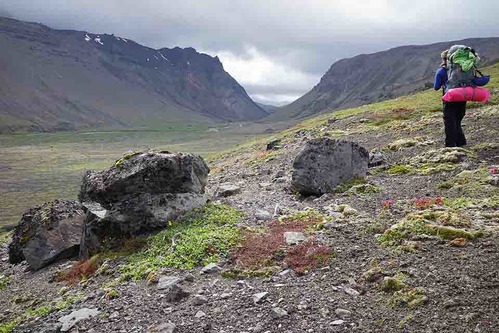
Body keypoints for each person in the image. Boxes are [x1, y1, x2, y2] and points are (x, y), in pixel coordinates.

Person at [434, 50, 467, 147]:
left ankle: (450, 145)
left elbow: (436, 87)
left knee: (449, 122)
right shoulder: (461, 70)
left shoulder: (441, 71)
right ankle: (461, 143)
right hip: (462, 97)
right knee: (457, 120)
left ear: (443, 59)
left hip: (449, 99)